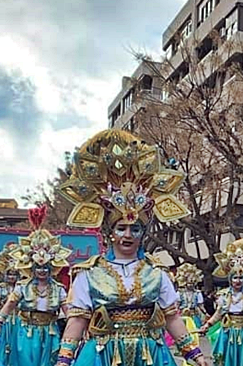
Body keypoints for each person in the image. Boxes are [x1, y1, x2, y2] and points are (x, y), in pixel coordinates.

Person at [52, 129, 210, 366]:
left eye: (135, 229)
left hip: (150, 354)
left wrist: (195, 355)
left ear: (142, 233)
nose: (128, 235)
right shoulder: (89, 274)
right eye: (121, 228)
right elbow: (78, 322)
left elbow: (172, 317)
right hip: (103, 354)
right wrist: (64, 360)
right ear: (110, 232)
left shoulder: (157, 272)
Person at [0, 208, 70, 366]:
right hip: (26, 332)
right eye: (38, 267)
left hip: (50, 332)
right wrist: (0, 321)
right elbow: (10, 305)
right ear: (32, 268)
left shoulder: (58, 289)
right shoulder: (23, 286)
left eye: (45, 268)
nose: (42, 271)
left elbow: (68, 311)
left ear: (51, 268)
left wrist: (77, 326)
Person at [198, 238, 243, 366]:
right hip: (227, 332)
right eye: (235, 277)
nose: (238, 280)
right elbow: (219, 313)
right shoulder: (224, 295)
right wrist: (207, 325)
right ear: (230, 279)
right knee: (225, 359)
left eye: (241, 277)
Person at [0, 243, 20, 366]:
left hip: (18, 321)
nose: (11, 277)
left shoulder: (22, 288)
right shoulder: (0, 288)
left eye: (14, 274)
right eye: (9, 274)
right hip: (4, 321)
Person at [175, 263, 207, 332]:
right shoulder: (179, 293)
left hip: (194, 316)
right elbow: (176, 306)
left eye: (192, 283)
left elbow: (200, 306)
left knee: (195, 332)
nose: (190, 285)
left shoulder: (197, 293)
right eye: (189, 283)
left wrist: (205, 313)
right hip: (182, 316)